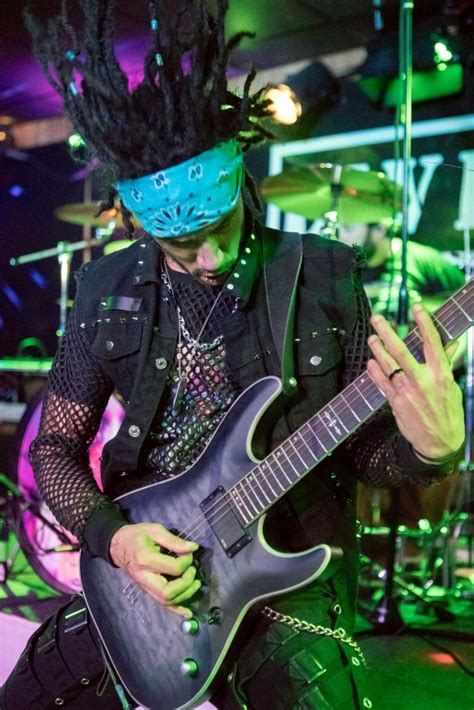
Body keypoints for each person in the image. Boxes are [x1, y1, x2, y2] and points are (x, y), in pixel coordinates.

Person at [2, 2, 465, 708]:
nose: (211, 258)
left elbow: (362, 452)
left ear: (241, 178)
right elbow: (55, 448)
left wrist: (432, 450)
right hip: (143, 569)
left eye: (221, 227)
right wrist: (116, 540)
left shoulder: (324, 273)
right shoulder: (105, 287)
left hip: (288, 575)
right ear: (138, 222)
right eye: (182, 245)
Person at [338, 221, 465, 321]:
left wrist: (417, 308)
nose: (340, 236)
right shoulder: (345, 269)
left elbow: (466, 304)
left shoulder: (421, 259)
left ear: (379, 229)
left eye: (348, 228)